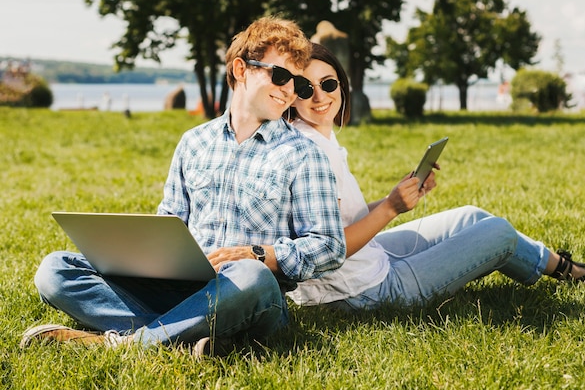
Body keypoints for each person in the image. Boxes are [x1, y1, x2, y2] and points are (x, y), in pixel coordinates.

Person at [20, 18, 346, 356]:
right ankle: (192, 335)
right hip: (181, 288)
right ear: (240, 69)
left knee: (253, 276)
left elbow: (330, 246)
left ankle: (127, 342)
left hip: (249, 294)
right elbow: (171, 220)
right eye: (279, 76)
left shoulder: (304, 154)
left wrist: (259, 254)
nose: (289, 90)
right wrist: (144, 257)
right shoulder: (193, 143)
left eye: (295, 82)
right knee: (56, 270)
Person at [285, 43, 585, 311]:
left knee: (470, 216)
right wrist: (391, 209)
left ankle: (562, 267)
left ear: (341, 85)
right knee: (498, 233)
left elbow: (340, 220)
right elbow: (326, 248)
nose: (319, 96)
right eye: (304, 89)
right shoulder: (312, 152)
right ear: (290, 95)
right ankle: (570, 272)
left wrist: (394, 197)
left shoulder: (314, 136)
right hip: (362, 293)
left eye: (328, 84)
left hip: (360, 270)